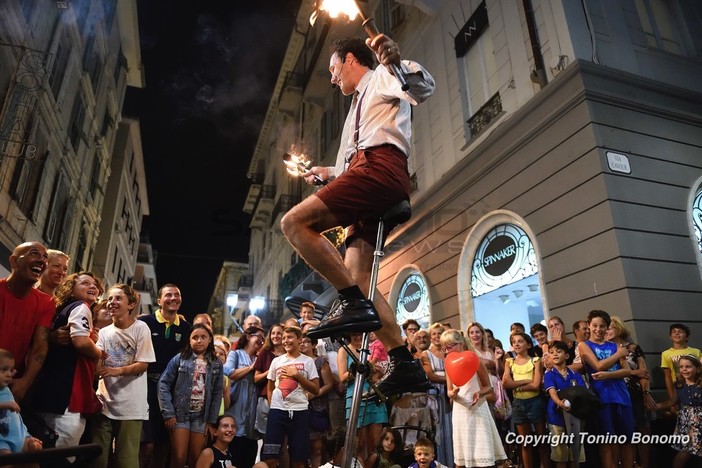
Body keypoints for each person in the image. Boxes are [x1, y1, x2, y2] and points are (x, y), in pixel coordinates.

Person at [280, 35, 435, 397]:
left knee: (293, 223)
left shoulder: (381, 75)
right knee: (358, 277)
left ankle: (351, 303)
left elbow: (421, 85)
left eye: (333, 69)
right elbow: (353, 156)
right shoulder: (356, 109)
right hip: (363, 174)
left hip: (379, 172)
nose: (332, 79)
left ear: (351, 60)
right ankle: (403, 360)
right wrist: (329, 172)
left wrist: (395, 60)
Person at [33, 272, 105, 450]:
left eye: (95, 284)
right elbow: (80, 342)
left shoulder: (61, 309)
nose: (92, 286)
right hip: (65, 400)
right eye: (85, 283)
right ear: (70, 288)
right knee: (62, 457)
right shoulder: (81, 306)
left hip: (47, 394)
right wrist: (98, 352)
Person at [91, 284, 156, 468]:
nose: (112, 302)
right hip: (103, 403)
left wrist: (116, 371)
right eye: (110, 298)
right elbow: (99, 363)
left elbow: (143, 364)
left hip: (131, 407)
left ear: (131, 304)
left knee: (126, 460)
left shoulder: (140, 328)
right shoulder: (103, 332)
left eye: (118, 298)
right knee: (97, 458)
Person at [138, 283, 191, 468]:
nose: (174, 298)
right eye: (169, 295)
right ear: (159, 300)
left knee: (164, 443)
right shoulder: (145, 322)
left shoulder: (186, 328)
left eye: (177, 294)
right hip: (146, 387)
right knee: (147, 443)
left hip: (172, 391)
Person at [158, 324, 223, 468]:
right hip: (180, 415)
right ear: (189, 340)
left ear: (210, 339)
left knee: (195, 459)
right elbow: (163, 384)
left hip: (201, 417)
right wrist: (168, 413)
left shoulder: (216, 363)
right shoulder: (180, 358)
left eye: (203, 337)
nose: (199, 340)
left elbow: (218, 393)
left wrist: (211, 421)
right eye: (195, 337)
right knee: (179, 458)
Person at [577, 310, 634, 468]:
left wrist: (608, 375)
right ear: (589, 325)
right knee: (606, 440)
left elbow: (627, 371)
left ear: (607, 327)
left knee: (627, 439)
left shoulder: (615, 345)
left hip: (622, 395)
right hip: (602, 396)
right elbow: (597, 366)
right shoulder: (584, 345)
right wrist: (618, 355)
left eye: (602, 326)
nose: (598, 329)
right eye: (594, 325)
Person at [0, 242, 55, 403]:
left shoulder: (46, 303)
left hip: (9, 384)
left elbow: (40, 347)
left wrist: (25, 382)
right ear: (14, 261)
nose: (42, 260)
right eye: (34, 253)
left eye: (45, 257)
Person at [442, 329, 506, 468]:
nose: (447, 350)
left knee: (482, 453)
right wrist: (452, 393)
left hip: (478, 408)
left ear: (460, 344)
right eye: (444, 348)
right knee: (462, 456)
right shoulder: (448, 363)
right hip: (460, 409)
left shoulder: (473, 359)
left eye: (449, 346)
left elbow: (488, 387)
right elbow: (449, 391)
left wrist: (480, 393)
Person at [261, 326, 319, 468]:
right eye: (284, 337)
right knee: (271, 457)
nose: (286, 340)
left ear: (299, 340)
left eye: (290, 337)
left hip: (299, 412)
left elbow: (315, 389)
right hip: (277, 411)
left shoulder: (308, 361)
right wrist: (273, 404)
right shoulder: (277, 361)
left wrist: (297, 376)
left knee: (299, 459)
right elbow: (270, 386)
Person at [606, 316, 654, 468]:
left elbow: (644, 373)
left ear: (618, 328)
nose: (606, 331)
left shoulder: (633, 348)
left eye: (609, 327)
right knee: (626, 433)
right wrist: (633, 373)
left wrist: (646, 393)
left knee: (643, 430)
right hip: (617, 394)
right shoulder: (606, 350)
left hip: (637, 393)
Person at [338, 332, 387, 461]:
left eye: (361, 333)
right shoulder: (344, 350)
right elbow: (342, 377)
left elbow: (383, 372)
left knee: (376, 446)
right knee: (358, 446)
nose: (358, 337)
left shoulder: (373, 348)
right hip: (355, 397)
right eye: (354, 333)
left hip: (375, 396)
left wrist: (381, 372)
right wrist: (360, 370)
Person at [503, 331, 548, 468]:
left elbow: (535, 386)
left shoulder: (535, 361)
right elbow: (506, 384)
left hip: (535, 402)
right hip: (518, 404)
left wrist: (517, 386)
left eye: (520, 341)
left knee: (541, 440)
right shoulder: (509, 362)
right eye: (514, 342)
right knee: (525, 442)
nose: (516, 344)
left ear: (528, 345)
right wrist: (525, 380)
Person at [225, 325, 265, 468]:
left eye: (263, 339)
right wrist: (251, 368)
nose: (261, 341)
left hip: (251, 423)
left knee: (248, 461)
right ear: (248, 336)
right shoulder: (235, 354)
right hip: (234, 415)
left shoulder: (260, 359)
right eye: (258, 337)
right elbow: (229, 373)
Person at [543, 341, 587, 467]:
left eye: (558, 351)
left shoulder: (575, 374)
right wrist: (559, 402)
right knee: (560, 455)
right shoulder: (549, 375)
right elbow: (552, 392)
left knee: (576, 454)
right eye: (551, 352)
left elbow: (582, 392)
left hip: (574, 416)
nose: (555, 354)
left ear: (567, 356)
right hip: (556, 418)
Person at [655, 354, 702, 468]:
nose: (684, 369)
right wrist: (656, 406)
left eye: (688, 366)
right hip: (685, 423)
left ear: (698, 369)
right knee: (684, 452)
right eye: (681, 367)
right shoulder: (679, 385)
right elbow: (672, 401)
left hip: (699, 421)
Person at [0, 348, 43, 464]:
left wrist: (26, 436)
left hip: (20, 436)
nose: (9, 374)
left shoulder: (6, 389)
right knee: (6, 461)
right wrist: (4, 405)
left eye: (11, 370)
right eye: (4, 370)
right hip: (2, 441)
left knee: (35, 452)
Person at [419, 323, 452, 466]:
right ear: (430, 337)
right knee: (437, 429)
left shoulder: (449, 353)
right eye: (434, 334)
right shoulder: (426, 354)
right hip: (435, 395)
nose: (437, 336)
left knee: (450, 428)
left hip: (450, 394)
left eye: (440, 333)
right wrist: (451, 379)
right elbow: (430, 376)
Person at [301, 334, 334, 468]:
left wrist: (314, 394)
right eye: (301, 342)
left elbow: (329, 384)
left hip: (316, 407)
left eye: (306, 342)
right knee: (300, 448)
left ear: (314, 345)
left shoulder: (320, 361)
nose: (303, 344)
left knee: (317, 447)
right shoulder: (296, 361)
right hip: (299, 407)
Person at [253, 323, 285, 438]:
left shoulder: (289, 355)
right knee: (266, 439)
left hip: (285, 400)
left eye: (279, 333)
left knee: (281, 439)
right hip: (266, 400)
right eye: (273, 333)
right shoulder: (264, 353)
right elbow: (256, 378)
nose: (275, 336)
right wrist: (270, 371)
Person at [661, 323, 702, 400]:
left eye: (680, 331)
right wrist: (671, 396)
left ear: (687, 336)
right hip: (678, 388)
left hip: (696, 387)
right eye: (674, 332)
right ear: (670, 336)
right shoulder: (665, 354)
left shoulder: (696, 352)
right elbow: (668, 376)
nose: (677, 333)